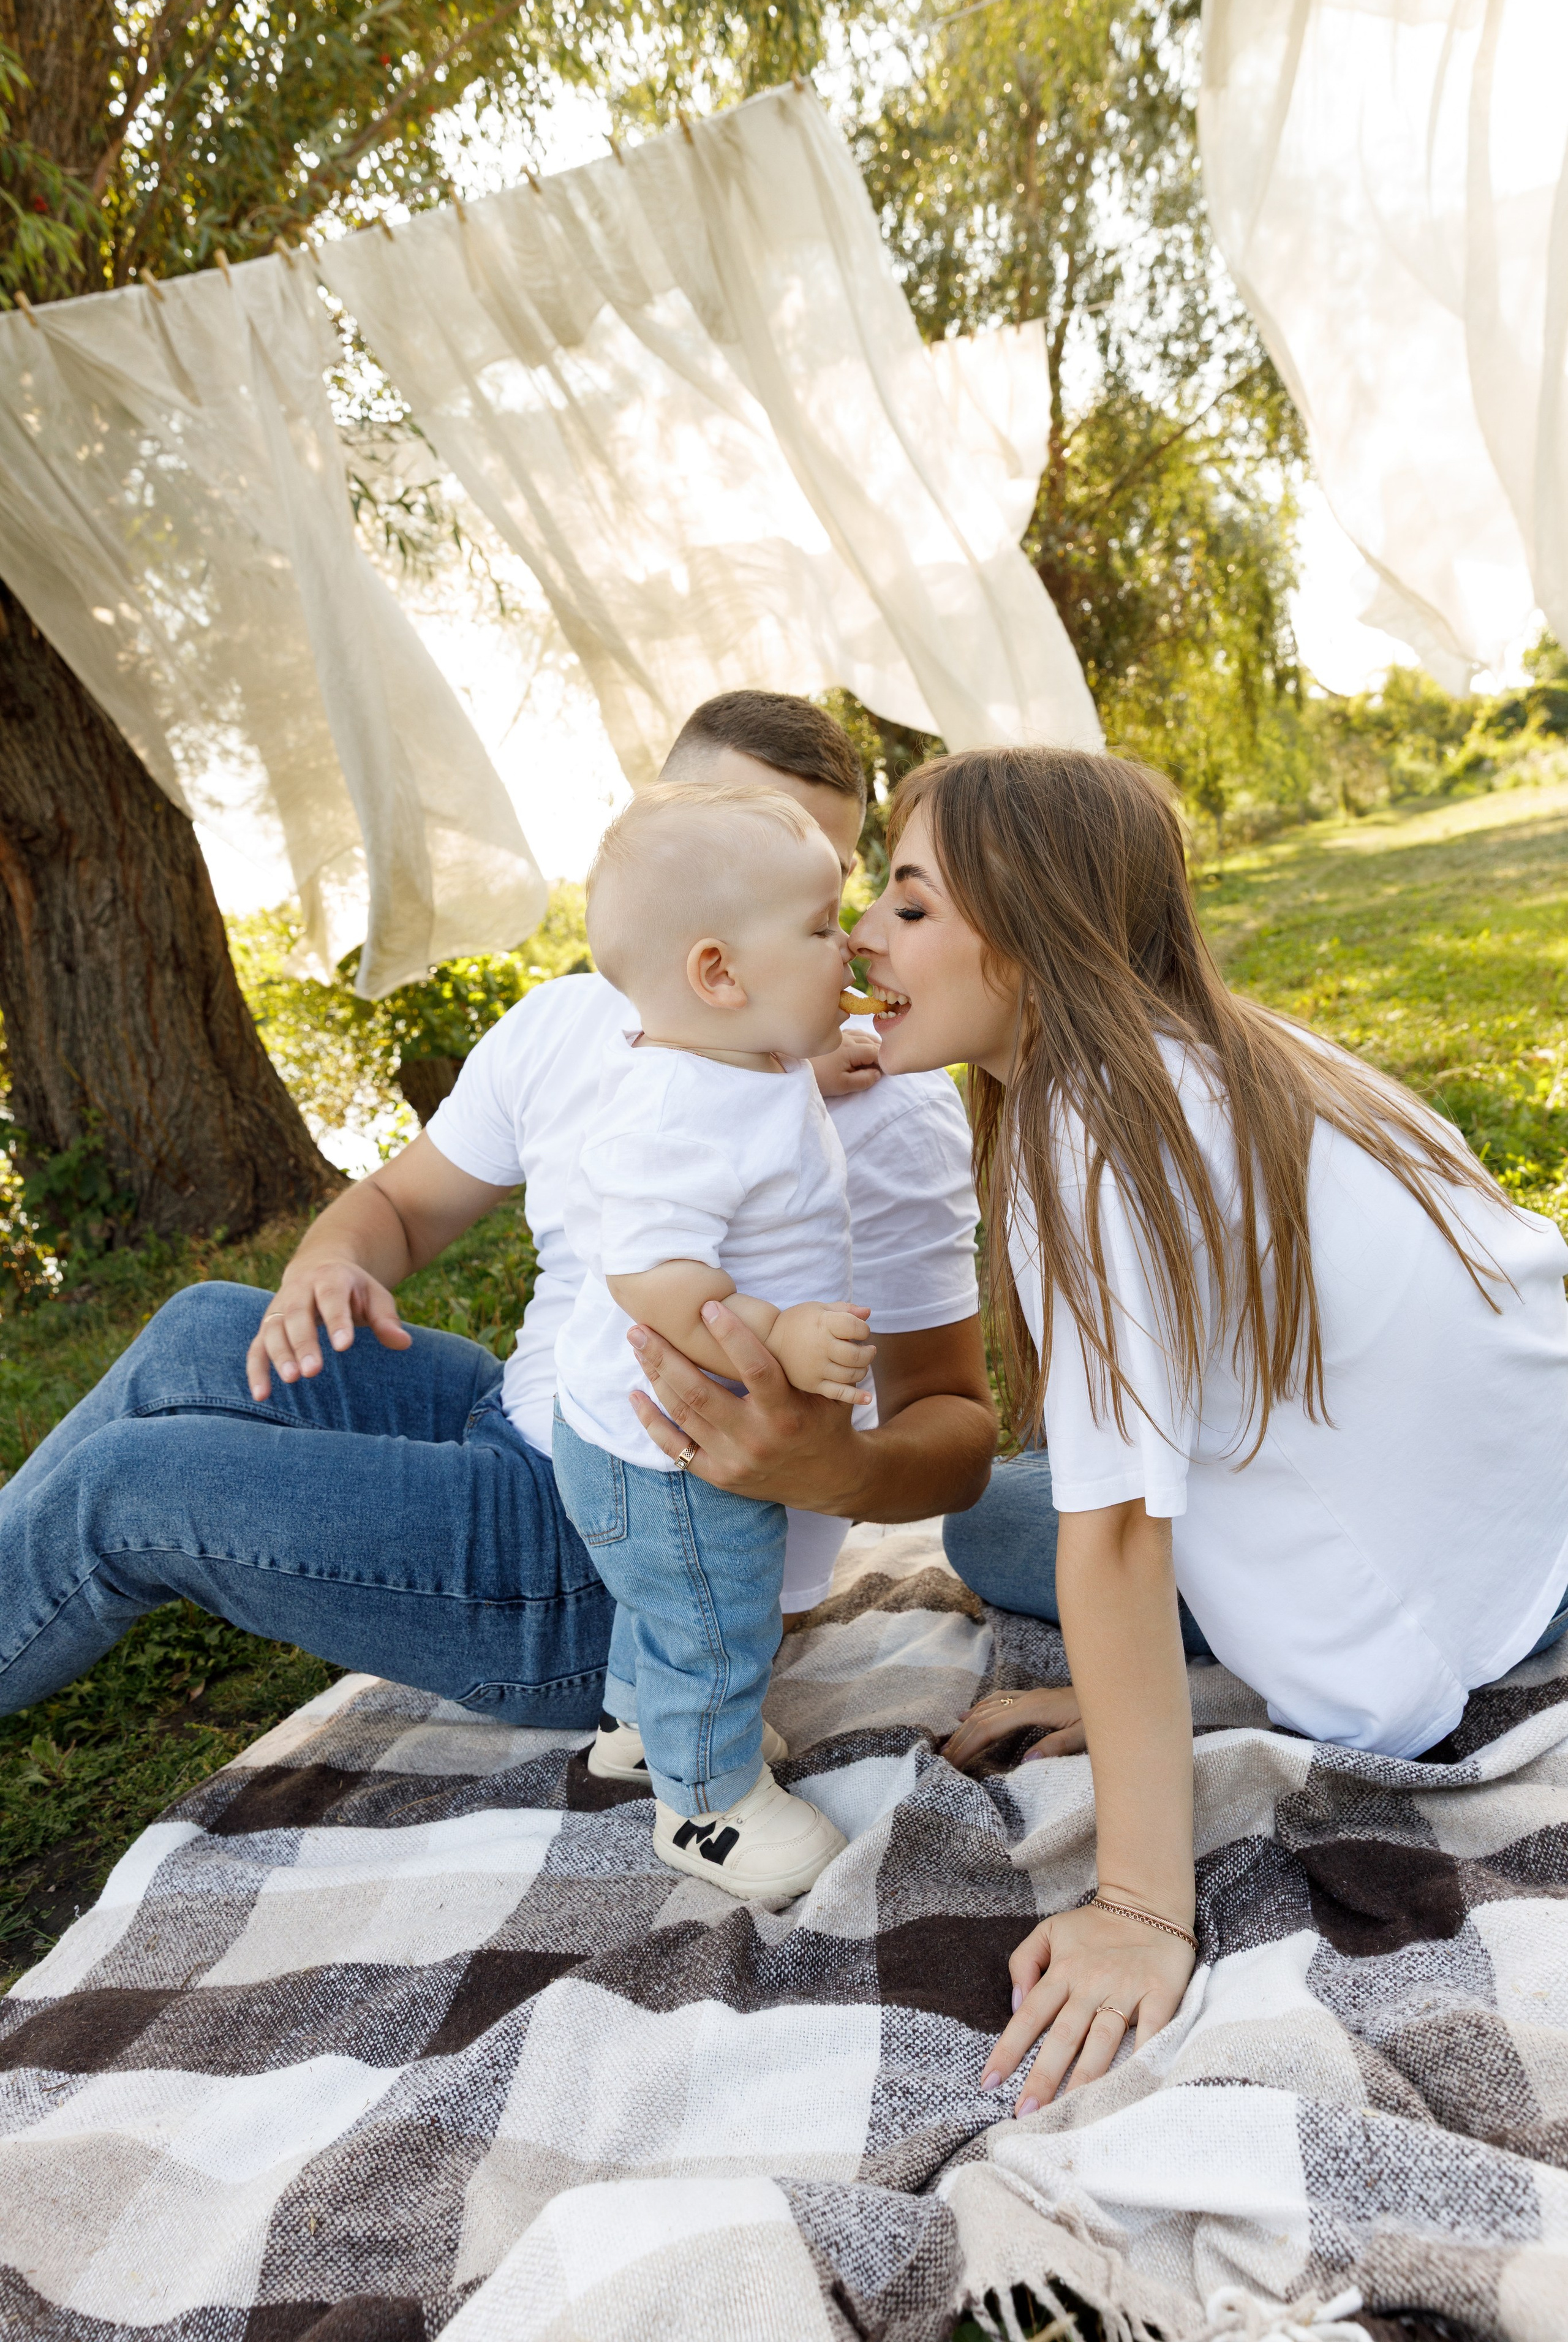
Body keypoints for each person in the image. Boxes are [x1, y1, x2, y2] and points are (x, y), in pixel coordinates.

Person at [0, 693, 992, 1723]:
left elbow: (956, 1421)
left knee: (130, 1487)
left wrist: (839, 1468)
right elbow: (400, 1205)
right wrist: (329, 1264)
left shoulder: (887, 1103)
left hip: (628, 1574)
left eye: (821, 894)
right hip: (533, 1426)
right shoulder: (572, 1022)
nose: (828, 940)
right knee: (205, 1326)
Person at [850, 743, 1568, 2112]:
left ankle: (1177, 1690)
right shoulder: (1212, 1052)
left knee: (1029, 1524)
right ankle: (1166, 1679)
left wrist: (1138, 1904)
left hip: (1439, 1625)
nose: (861, 936)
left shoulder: (1094, 1140)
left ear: (1035, 931)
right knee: (1010, 1514)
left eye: (908, 903)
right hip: (1519, 1504)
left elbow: (1117, 1531)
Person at [554, 783, 869, 1897]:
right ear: (720, 975)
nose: (851, 943)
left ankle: (639, 1730)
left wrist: (818, 1068)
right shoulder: (671, 1112)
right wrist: (775, 1330)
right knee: (716, 1610)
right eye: (824, 927)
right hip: (663, 1451)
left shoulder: (741, 1062)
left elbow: (747, 1141)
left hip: (654, 1438)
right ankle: (705, 1805)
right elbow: (651, 1274)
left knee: (668, 1603)